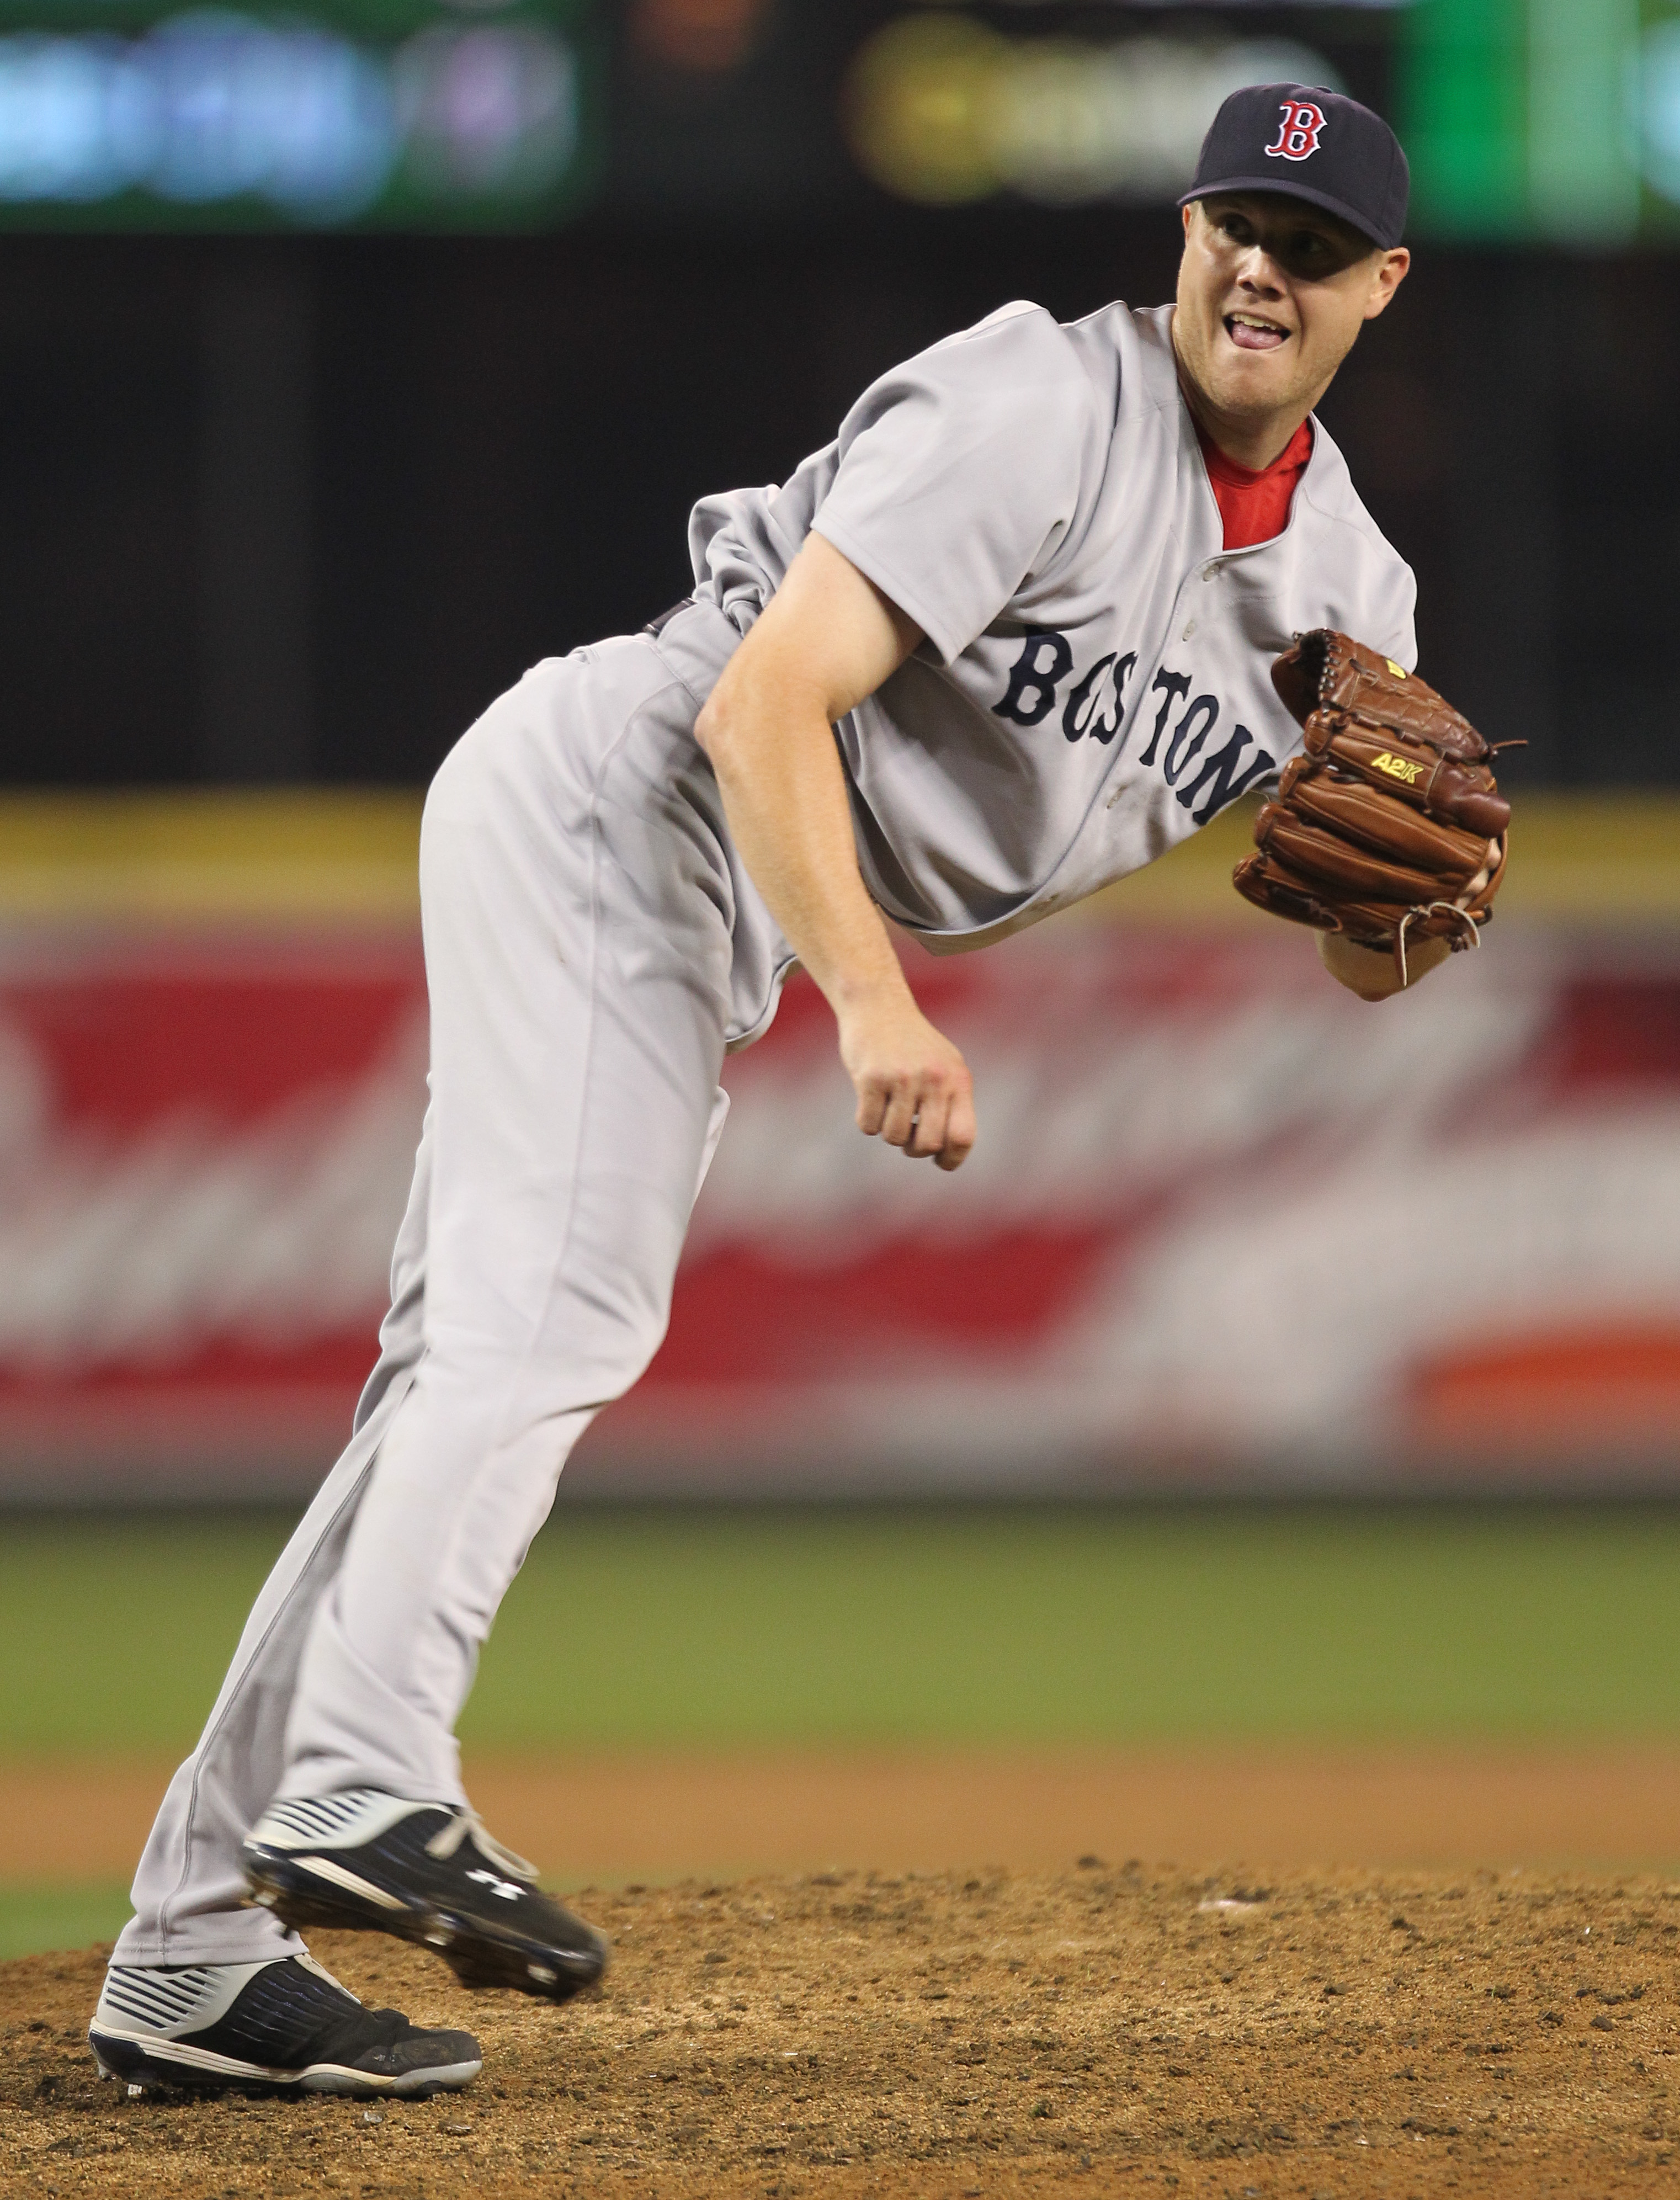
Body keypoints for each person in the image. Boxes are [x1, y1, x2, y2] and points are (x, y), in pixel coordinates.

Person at [89, 82, 1419, 2097]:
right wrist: (877, 1012)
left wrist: (1414, 912)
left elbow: (1361, 943)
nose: (1262, 265)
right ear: (1181, 231)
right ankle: (362, 1774)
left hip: (711, 891)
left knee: (461, 1363)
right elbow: (757, 698)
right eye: (1236, 220)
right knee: (553, 1315)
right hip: (623, 793)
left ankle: (190, 1953)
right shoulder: (1033, 410)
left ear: (1372, 288)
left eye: (1311, 247)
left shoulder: (1347, 603)